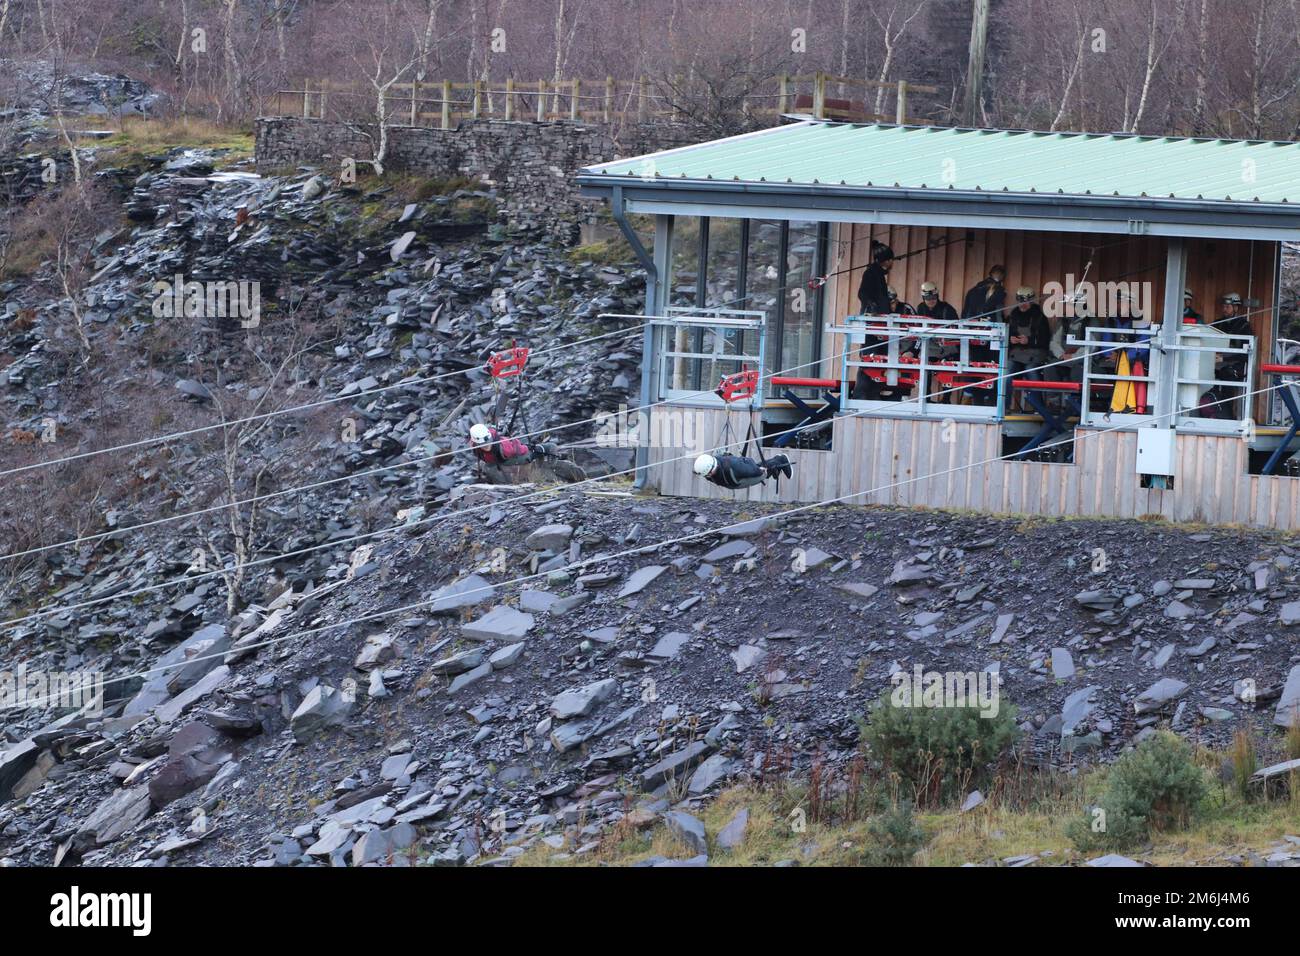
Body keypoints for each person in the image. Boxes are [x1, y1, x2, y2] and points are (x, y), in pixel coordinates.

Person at [851, 243, 900, 401]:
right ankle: (861, 394)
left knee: (879, 358)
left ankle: (872, 394)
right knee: (869, 358)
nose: (892, 263)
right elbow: (862, 293)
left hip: (880, 325)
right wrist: (872, 307)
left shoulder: (877, 274)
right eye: (891, 260)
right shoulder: (871, 273)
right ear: (886, 260)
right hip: (872, 325)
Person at [1007, 286, 1051, 411]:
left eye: (1025, 302)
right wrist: (1010, 339)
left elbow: (1045, 340)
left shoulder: (1040, 317)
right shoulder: (1013, 315)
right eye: (1020, 301)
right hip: (1017, 354)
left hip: (1035, 355)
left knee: (1031, 371)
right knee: (1007, 372)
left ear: (1031, 301)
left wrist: (1029, 341)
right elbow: (1007, 333)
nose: (1023, 305)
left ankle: (1039, 409)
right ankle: (1003, 407)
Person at [1211, 291, 1252, 418]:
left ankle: (1227, 415)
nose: (1224, 309)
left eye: (1227, 307)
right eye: (1223, 306)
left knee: (1227, 375)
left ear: (1236, 307)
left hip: (1235, 365)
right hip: (1215, 362)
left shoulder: (1244, 326)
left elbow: (1246, 354)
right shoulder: (1217, 324)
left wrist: (1224, 358)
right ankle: (1210, 411)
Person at [468, 423, 556, 467]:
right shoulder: (474, 447)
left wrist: (530, 450)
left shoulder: (504, 448)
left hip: (514, 452)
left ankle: (546, 447)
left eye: (488, 443)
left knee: (525, 457)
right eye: (483, 444)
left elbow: (521, 449)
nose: (487, 446)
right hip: (495, 460)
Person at [693, 452, 793, 490]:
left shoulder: (734, 466)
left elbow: (753, 470)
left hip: (740, 471)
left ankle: (780, 460)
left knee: (762, 472)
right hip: (733, 479)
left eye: (709, 474)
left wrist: (760, 472)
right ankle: (775, 464)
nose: (708, 476)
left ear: (713, 467)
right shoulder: (708, 472)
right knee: (758, 469)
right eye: (707, 475)